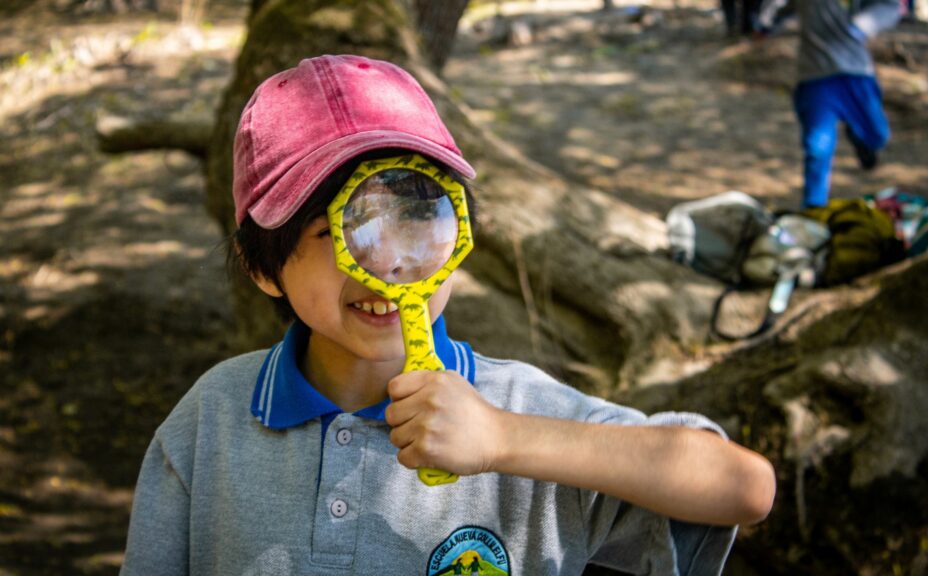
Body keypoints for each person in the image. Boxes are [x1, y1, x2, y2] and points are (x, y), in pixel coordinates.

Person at [119, 54, 776, 575]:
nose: (387, 263)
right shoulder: (211, 420)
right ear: (263, 267)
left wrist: (503, 441)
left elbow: (743, 486)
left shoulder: (515, 410)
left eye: (416, 217)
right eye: (338, 233)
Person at [755, 0, 902, 208]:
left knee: (878, 137)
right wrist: (764, 25)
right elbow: (778, 6)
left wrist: (863, 25)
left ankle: (859, 136)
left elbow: (890, 5)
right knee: (817, 148)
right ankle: (814, 208)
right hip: (815, 75)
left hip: (855, 71)